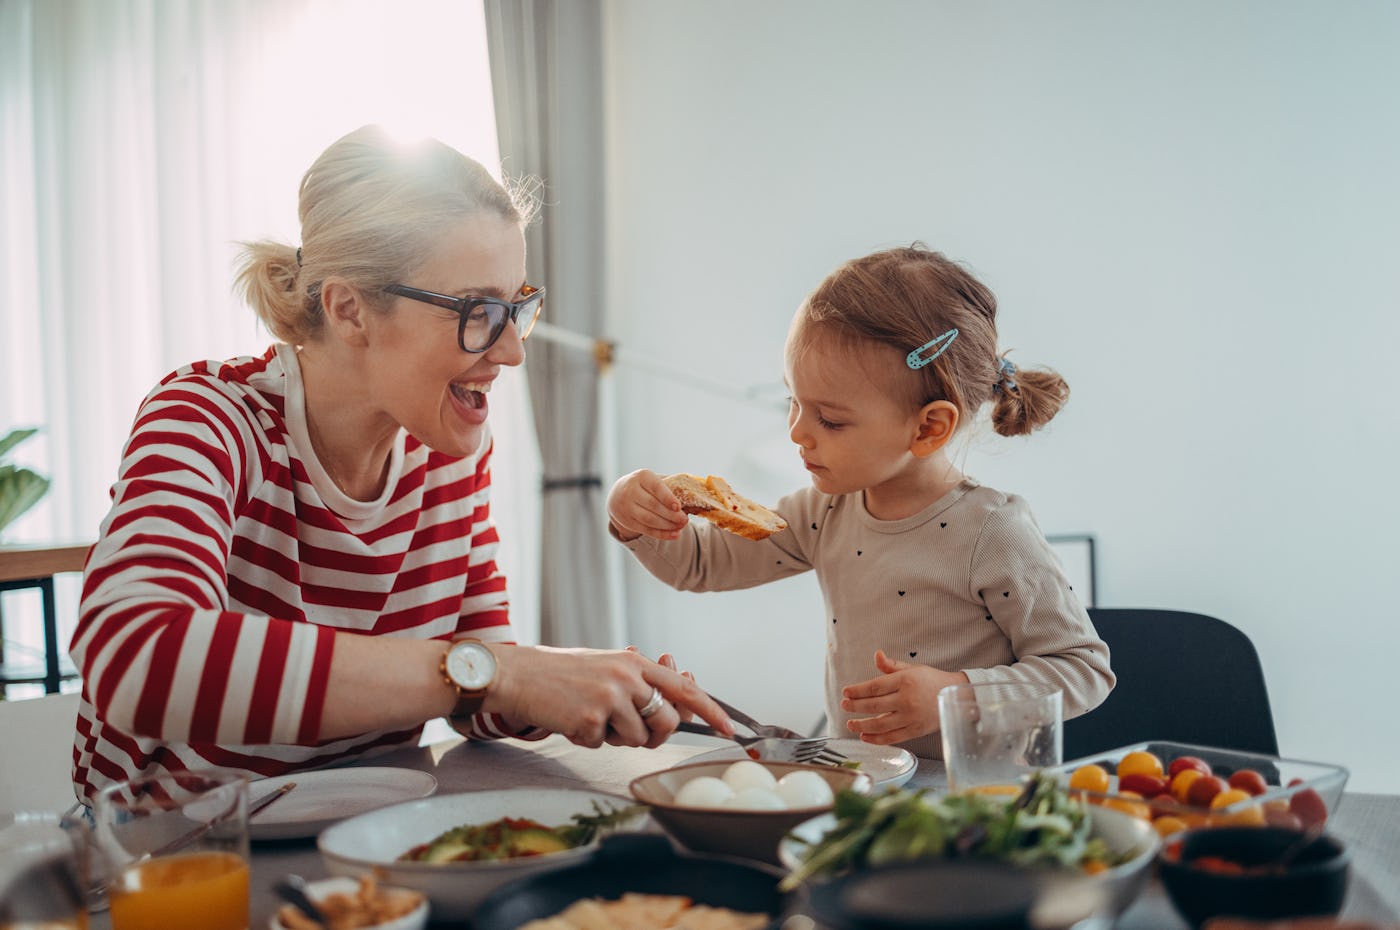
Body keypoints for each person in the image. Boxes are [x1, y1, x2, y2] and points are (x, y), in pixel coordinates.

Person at [68, 125, 729, 803]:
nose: (511, 353)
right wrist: (500, 672)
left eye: (517, 309)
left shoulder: (446, 453)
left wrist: (581, 684)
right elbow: (134, 654)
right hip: (182, 859)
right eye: (479, 311)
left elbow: (481, 689)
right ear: (350, 309)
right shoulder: (211, 418)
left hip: (371, 845)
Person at [607, 244, 1113, 759]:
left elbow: (1082, 668)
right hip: (861, 789)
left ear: (928, 427)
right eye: (793, 402)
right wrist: (632, 510)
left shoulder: (993, 530)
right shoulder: (824, 513)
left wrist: (957, 695)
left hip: (973, 805)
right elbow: (700, 564)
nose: (797, 432)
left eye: (830, 419)